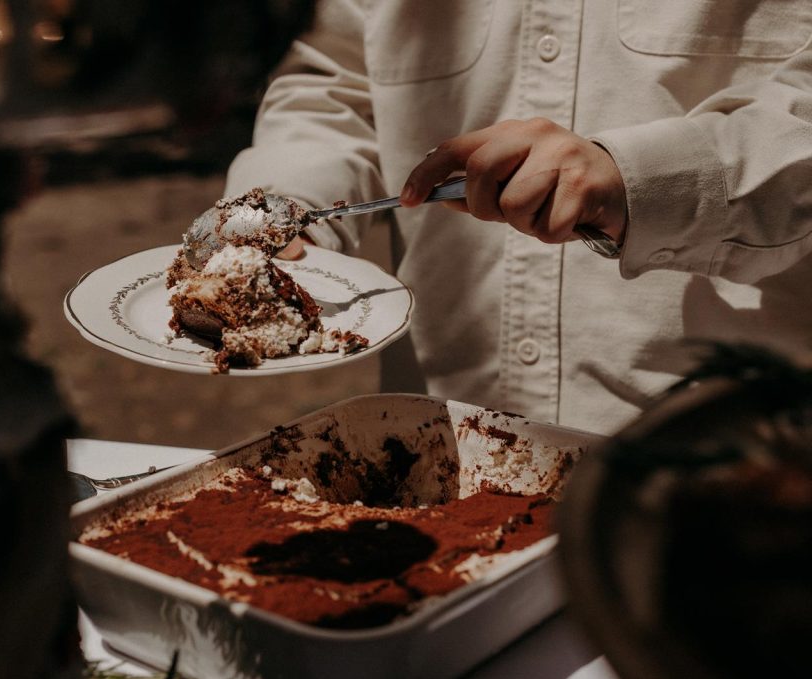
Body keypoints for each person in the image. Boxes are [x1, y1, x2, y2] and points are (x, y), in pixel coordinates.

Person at [223, 0, 812, 435]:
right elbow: (336, 81)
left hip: (726, 460)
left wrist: (645, 178)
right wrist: (284, 207)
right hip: (435, 438)